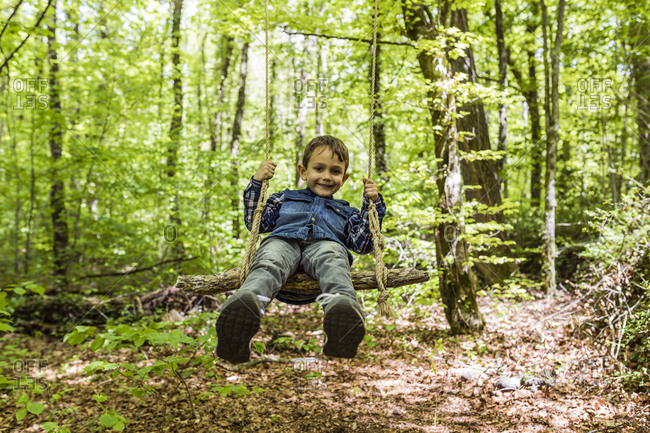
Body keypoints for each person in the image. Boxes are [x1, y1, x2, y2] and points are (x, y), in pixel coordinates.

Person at [216, 135, 386, 363]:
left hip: (326, 245)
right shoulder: (284, 198)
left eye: (335, 172)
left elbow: (363, 245)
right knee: (269, 260)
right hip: (283, 241)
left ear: (344, 178)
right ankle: (245, 310)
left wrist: (372, 205)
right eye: (319, 168)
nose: (326, 176)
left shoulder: (346, 212)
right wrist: (257, 182)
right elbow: (256, 222)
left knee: (334, 260)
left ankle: (342, 312)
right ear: (303, 172)